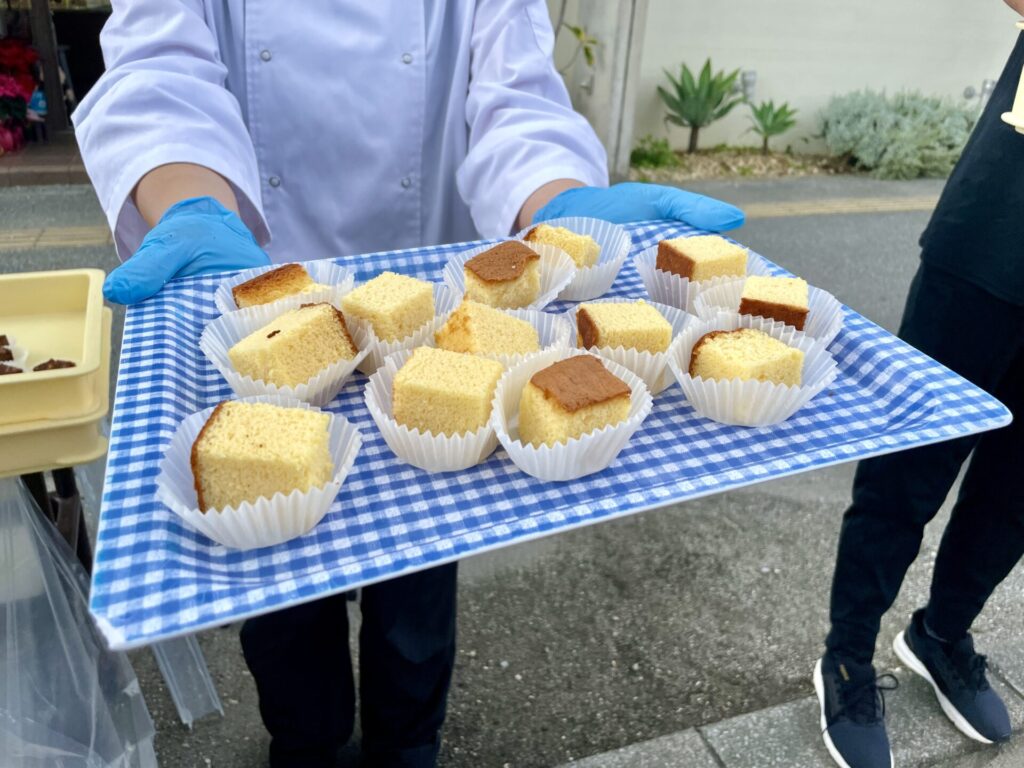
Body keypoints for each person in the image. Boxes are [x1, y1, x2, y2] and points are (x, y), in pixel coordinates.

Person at [73, 3, 745, 766]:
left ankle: (408, 742)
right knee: (278, 555)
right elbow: (160, 69)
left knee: (420, 572)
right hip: (259, 281)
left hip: (433, 313)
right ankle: (307, 743)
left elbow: (512, 90)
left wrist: (556, 204)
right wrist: (188, 197)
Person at [814, 6, 1024, 768]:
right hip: (995, 234)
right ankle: (847, 657)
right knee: (910, 468)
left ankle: (940, 634)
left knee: (1014, 495)